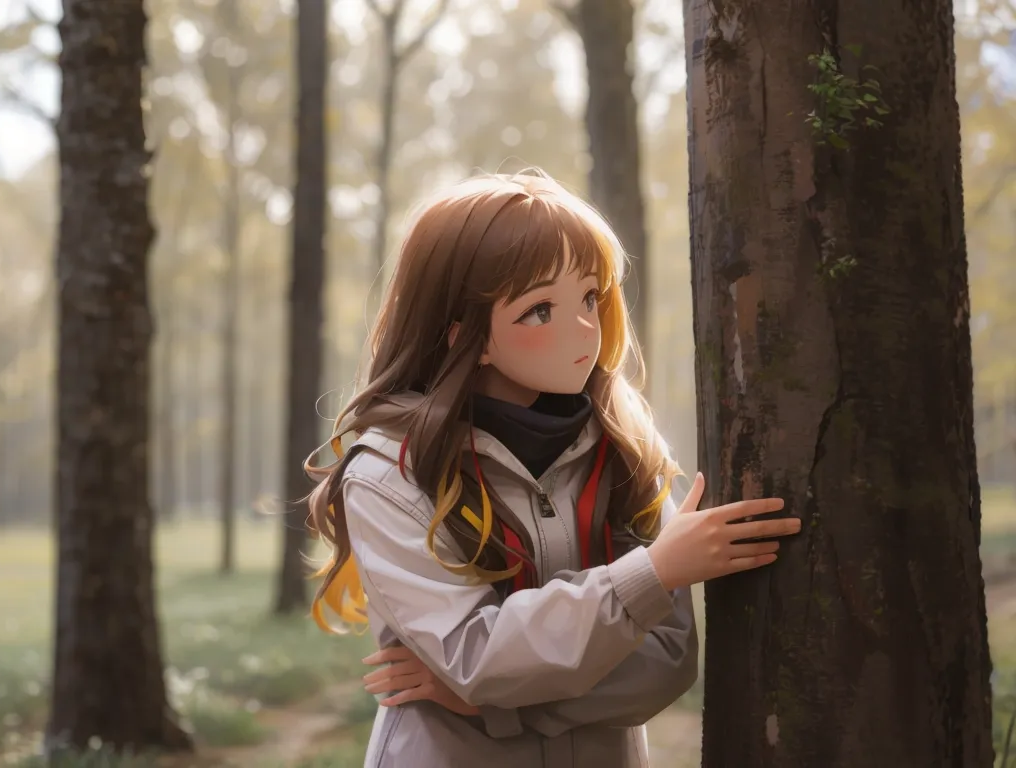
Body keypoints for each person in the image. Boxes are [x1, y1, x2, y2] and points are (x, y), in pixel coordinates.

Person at [303, 171, 800, 767]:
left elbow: (667, 662)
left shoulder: (624, 448)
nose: (585, 329)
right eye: (540, 310)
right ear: (468, 338)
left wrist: (498, 705)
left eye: (590, 297)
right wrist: (651, 575)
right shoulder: (390, 476)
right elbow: (477, 659)